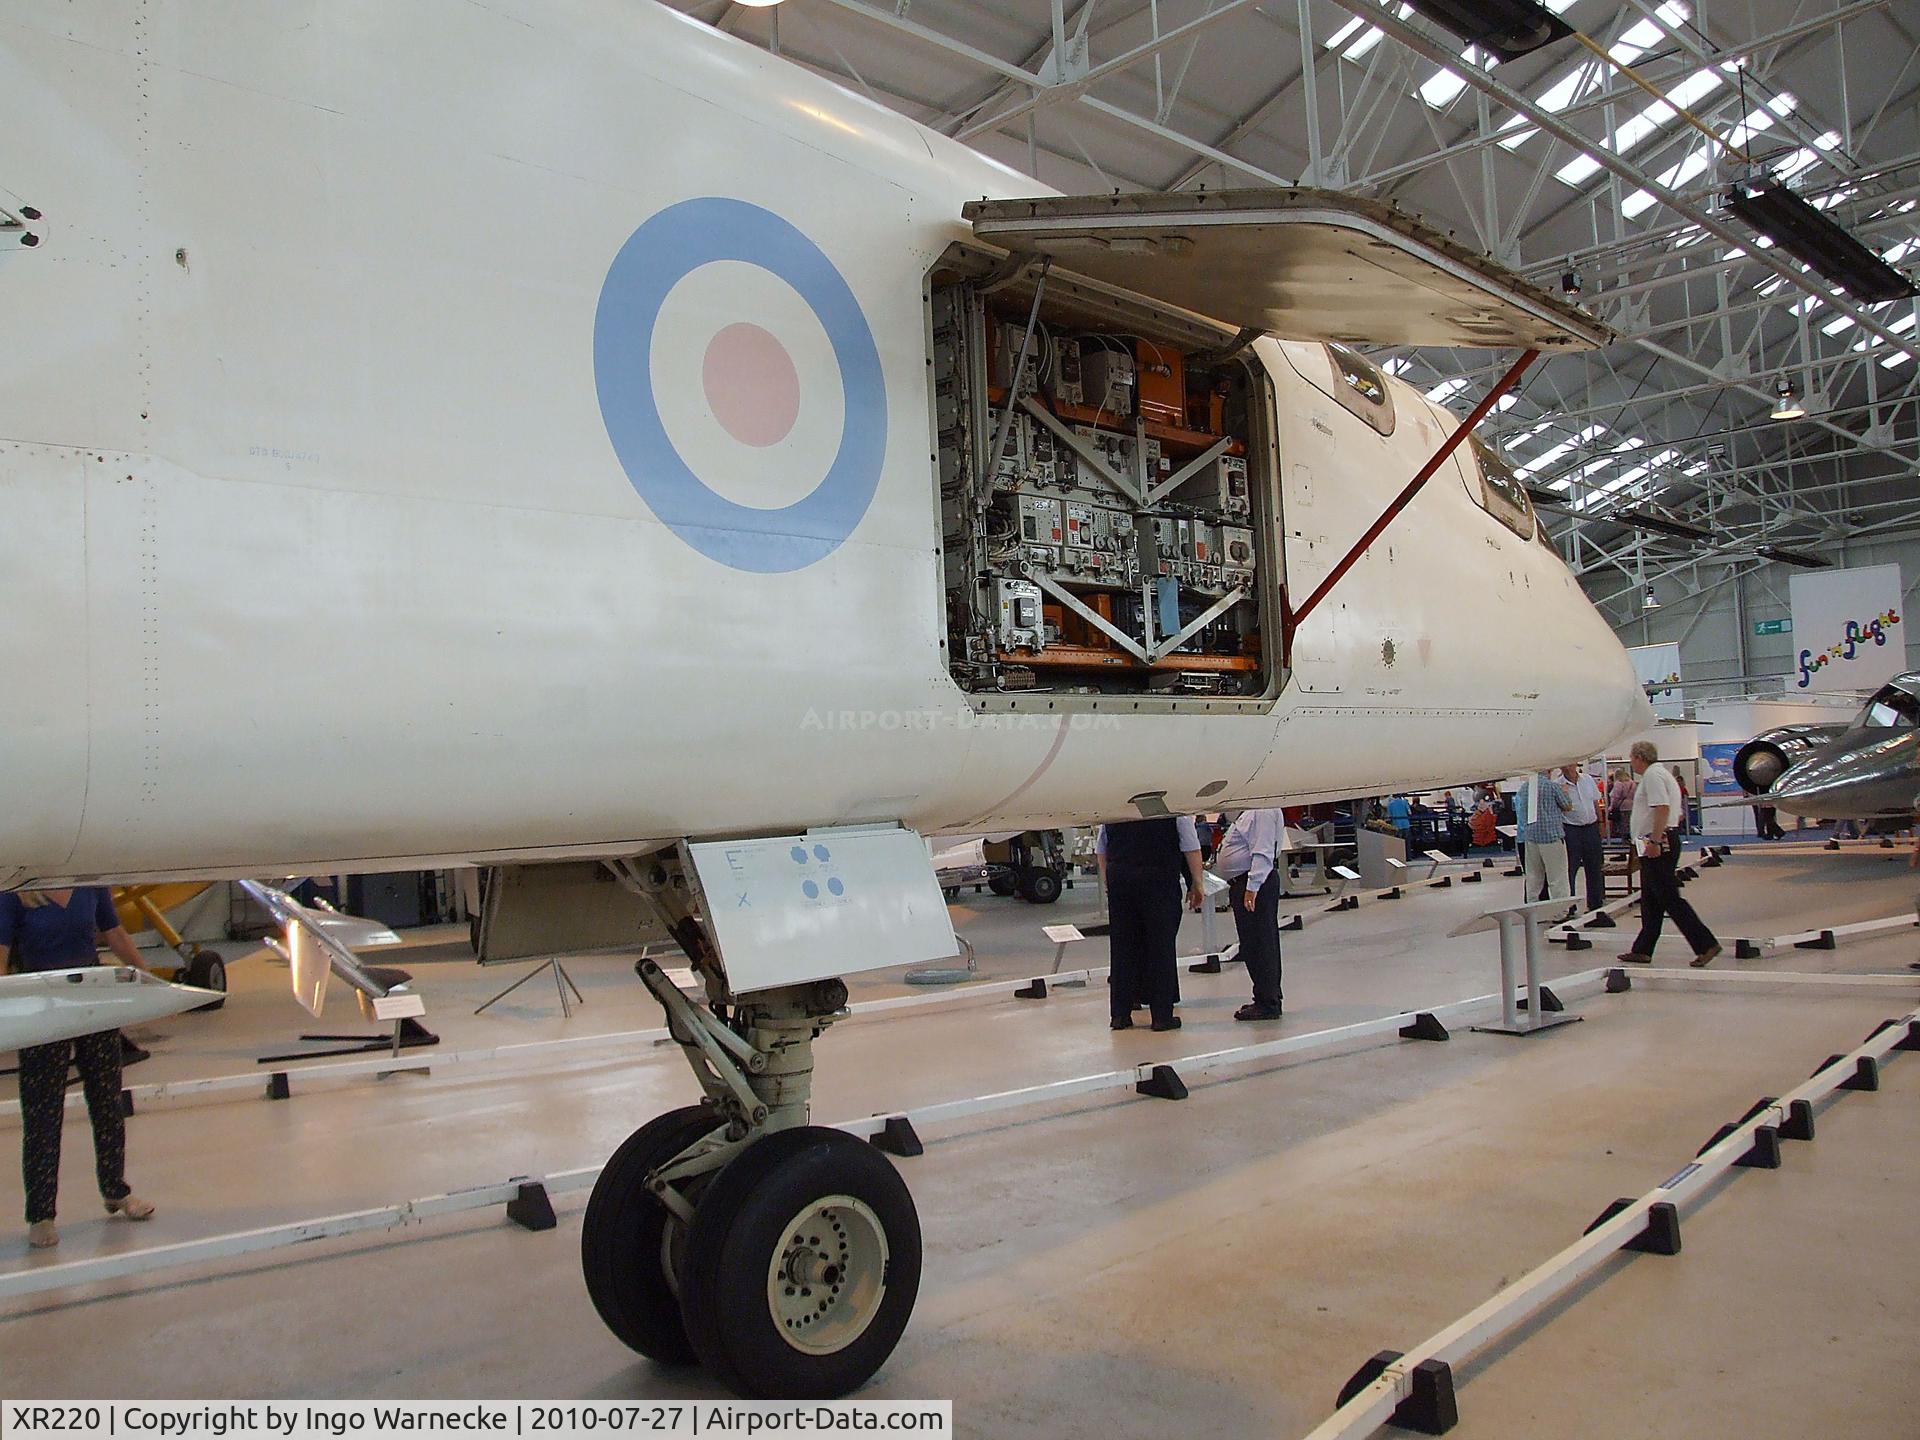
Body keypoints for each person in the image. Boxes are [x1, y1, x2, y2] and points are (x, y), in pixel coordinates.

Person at [0, 888, 159, 1249]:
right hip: (43, 1005)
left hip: (92, 999)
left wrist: (150, 983)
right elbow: (2, 952)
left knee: (106, 1101)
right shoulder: (16, 893)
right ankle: (40, 1215)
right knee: (43, 1112)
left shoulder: (90, 885)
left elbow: (114, 933)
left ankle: (116, 1191)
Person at [1618, 741, 1722, 968]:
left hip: (1657, 842)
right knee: (1650, 899)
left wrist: (1655, 840)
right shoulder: (1660, 774)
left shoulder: (1653, 776)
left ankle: (1705, 943)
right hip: (1654, 840)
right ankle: (1643, 949)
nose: (1631, 762)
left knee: (1668, 898)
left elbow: (1662, 807)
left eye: (1632, 757)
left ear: (1638, 757)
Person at [1097, 817, 1204, 1032]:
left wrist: (1110, 881)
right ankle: (1161, 1016)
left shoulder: (1115, 810)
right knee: (1160, 948)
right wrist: (1197, 882)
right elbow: (1191, 846)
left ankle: (1120, 1015)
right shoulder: (1173, 809)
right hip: (1158, 879)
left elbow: (1102, 849)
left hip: (1121, 878)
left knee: (1122, 949)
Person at [1212, 807, 1287, 1021]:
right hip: (1247, 882)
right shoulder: (1252, 811)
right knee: (1257, 942)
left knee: (1258, 943)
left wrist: (1252, 887)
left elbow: (1261, 851)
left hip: (1254, 883)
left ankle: (1267, 1002)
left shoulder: (1261, 811)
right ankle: (1267, 995)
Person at [1514, 767, 1574, 908]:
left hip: (1531, 838)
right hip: (1551, 837)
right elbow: (1567, 806)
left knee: (1533, 878)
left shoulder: (1524, 788)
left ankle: (1533, 911)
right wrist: (1566, 792)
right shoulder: (1552, 786)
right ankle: (1561, 911)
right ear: (1548, 771)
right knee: (1557, 878)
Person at [1560, 761, 1606, 913]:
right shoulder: (1558, 784)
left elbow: (1595, 803)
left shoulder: (1587, 780)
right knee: (1570, 868)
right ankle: (1570, 905)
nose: (1568, 767)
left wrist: (1601, 823)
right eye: (1565, 765)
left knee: (1594, 866)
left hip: (1591, 827)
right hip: (1571, 829)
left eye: (1570, 764)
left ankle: (1595, 903)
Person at [1607, 766, 1636, 836]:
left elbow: (1615, 797)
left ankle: (1624, 841)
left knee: (1623, 825)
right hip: (1632, 806)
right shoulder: (1632, 783)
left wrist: (1611, 807)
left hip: (1622, 807)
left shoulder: (1619, 783)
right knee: (1631, 825)